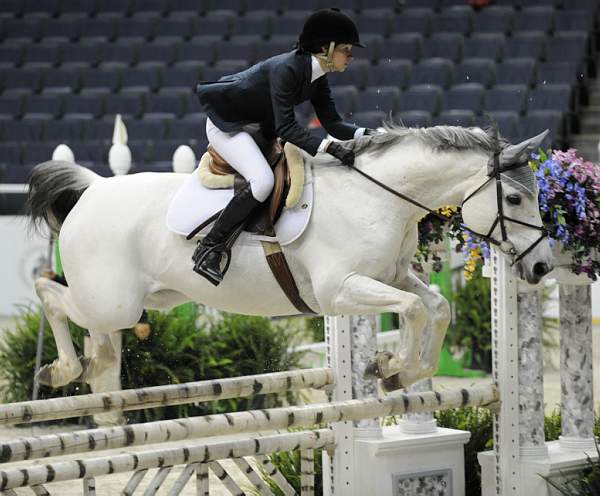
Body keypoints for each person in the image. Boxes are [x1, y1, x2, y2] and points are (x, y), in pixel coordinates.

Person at [193, 8, 376, 286]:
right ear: (325, 49)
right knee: (263, 181)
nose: (350, 56)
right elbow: (287, 129)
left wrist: (371, 135)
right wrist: (330, 148)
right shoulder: (287, 68)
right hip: (228, 124)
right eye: (346, 49)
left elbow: (335, 124)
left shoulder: (317, 77)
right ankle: (209, 248)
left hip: (256, 125)